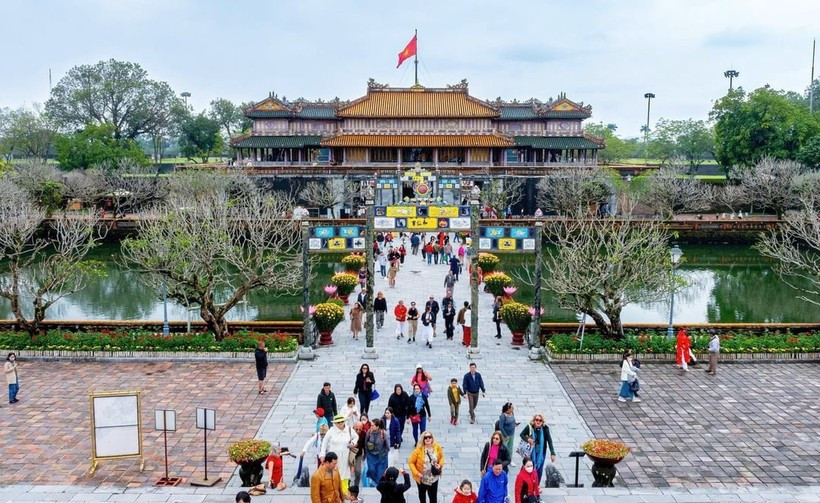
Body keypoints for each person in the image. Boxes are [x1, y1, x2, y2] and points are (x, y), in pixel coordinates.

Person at [321, 415, 358, 495]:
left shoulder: (349, 429)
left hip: (345, 457)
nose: (340, 423)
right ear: (335, 423)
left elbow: (356, 437)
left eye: (342, 421)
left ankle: (344, 493)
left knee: (345, 475)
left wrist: (353, 443)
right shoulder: (331, 430)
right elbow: (324, 442)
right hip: (334, 458)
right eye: (338, 422)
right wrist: (322, 454)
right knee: (333, 474)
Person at [519, 414, 556, 483]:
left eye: (540, 420)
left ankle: (536, 485)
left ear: (542, 422)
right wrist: (528, 440)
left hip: (541, 452)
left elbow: (549, 441)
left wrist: (552, 453)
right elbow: (521, 434)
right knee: (528, 467)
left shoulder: (545, 429)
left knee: (539, 469)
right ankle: (525, 482)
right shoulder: (529, 427)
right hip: (530, 452)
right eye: (536, 420)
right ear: (534, 420)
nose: (538, 422)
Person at [408, 431, 444, 503]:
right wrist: (417, 473)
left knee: (433, 497)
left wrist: (440, 465)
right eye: (425, 438)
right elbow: (411, 462)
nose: (428, 439)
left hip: (433, 478)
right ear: (423, 439)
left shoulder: (437, 447)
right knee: (422, 495)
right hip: (422, 478)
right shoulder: (418, 450)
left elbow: (442, 457)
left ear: (432, 438)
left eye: (429, 437)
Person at [366, 418, 390, 485]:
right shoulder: (369, 432)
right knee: (371, 470)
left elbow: (388, 446)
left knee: (380, 475)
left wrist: (384, 454)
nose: (371, 427)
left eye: (372, 425)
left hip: (381, 455)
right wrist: (367, 453)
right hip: (371, 455)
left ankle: (377, 485)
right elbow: (366, 443)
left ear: (377, 426)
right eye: (371, 425)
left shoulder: (384, 433)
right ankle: (375, 481)